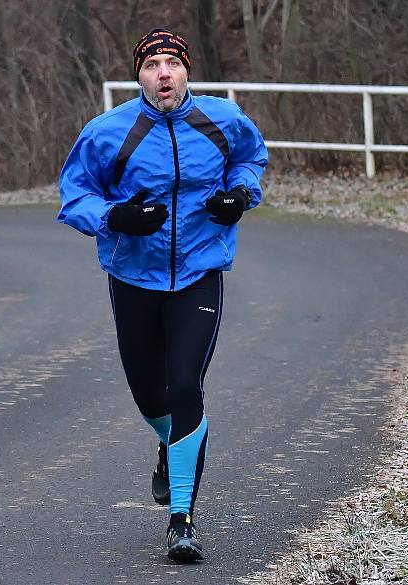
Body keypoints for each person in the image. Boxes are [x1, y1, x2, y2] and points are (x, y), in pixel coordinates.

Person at [58, 28, 268, 562]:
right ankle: (167, 441)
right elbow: (74, 195)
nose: (164, 73)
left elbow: (251, 160)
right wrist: (115, 217)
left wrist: (239, 196)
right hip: (134, 278)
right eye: (152, 65)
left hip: (199, 271)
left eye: (173, 62)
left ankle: (182, 520)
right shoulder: (108, 133)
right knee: (149, 394)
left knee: (185, 387)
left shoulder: (222, 120)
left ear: (187, 71)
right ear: (140, 76)